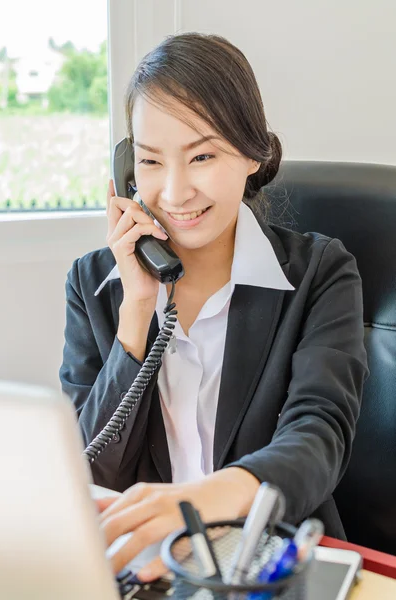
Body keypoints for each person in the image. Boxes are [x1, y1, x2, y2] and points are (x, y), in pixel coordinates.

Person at [60, 32, 368, 582]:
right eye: (152, 161)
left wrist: (207, 500)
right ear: (128, 170)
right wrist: (138, 308)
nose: (176, 192)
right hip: (144, 572)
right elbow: (89, 471)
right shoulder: (94, 284)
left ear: (254, 154)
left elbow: (320, 434)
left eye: (202, 155)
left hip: (273, 564)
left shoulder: (320, 273)